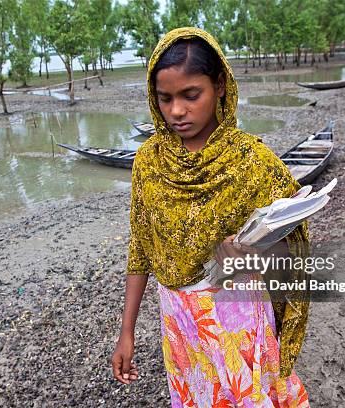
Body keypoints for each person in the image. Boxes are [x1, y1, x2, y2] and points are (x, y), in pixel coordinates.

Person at [111, 27, 311, 407]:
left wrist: (251, 254)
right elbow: (140, 245)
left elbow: (292, 246)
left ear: (220, 85)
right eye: (165, 99)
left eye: (190, 95)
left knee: (247, 395)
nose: (176, 111)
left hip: (236, 312)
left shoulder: (252, 162)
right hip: (177, 317)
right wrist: (127, 332)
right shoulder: (149, 161)